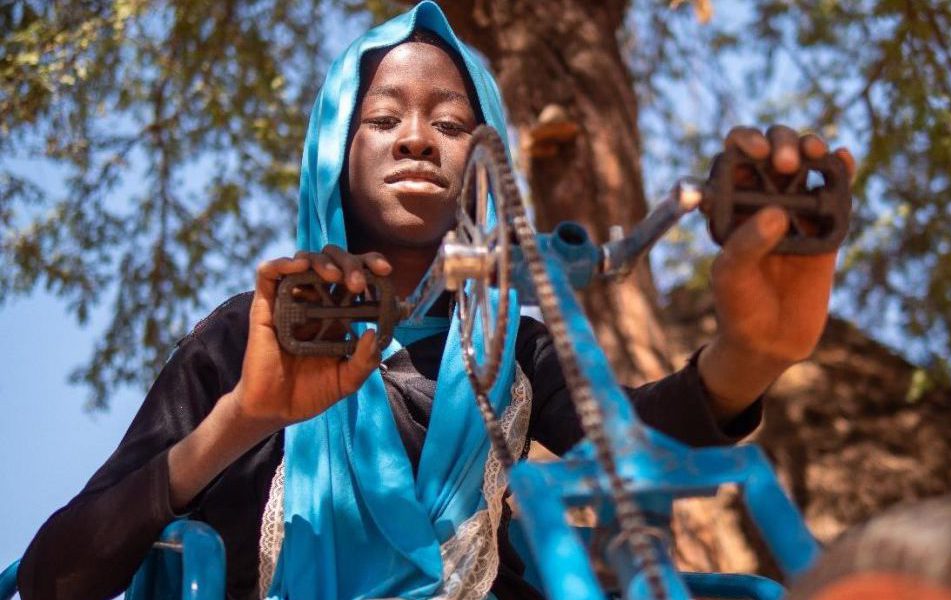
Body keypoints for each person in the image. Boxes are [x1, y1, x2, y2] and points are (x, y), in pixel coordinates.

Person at [18, 2, 856, 599]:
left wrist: (755, 353)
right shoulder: (249, 337)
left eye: (452, 125)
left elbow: (628, 444)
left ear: (481, 167)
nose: (418, 137)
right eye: (383, 119)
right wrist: (242, 419)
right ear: (333, 157)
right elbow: (58, 576)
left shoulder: (509, 352)